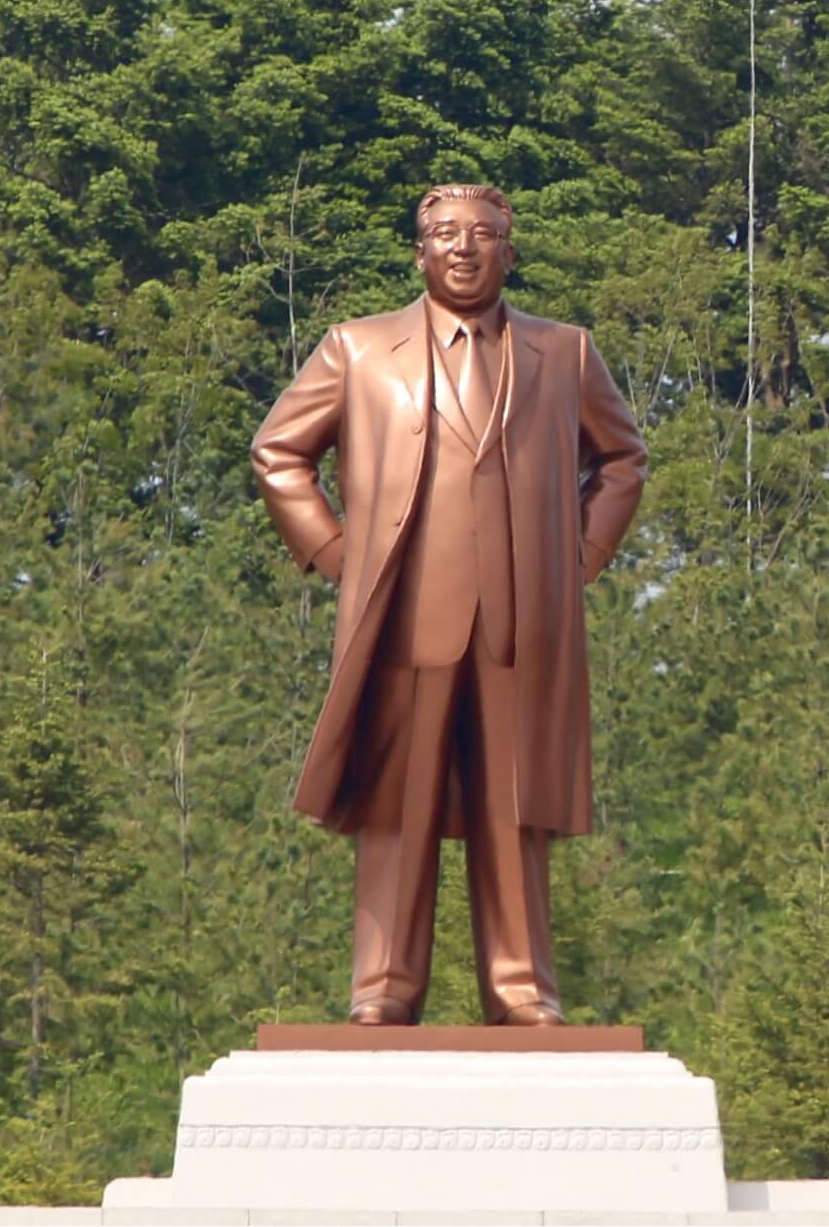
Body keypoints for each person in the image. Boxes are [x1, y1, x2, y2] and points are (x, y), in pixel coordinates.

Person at [251, 183, 647, 1026]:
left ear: (509, 249)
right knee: (398, 802)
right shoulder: (357, 351)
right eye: (444, 235)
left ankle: (520, 986)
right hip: (405, 620)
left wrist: (580, 555)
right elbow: (280, 451)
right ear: (419, 252)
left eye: (481, 235)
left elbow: (621, 460)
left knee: (515, 804)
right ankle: (384, 986)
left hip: (520, 622)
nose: (463, 248)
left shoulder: (564, 353)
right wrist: (334, 551)